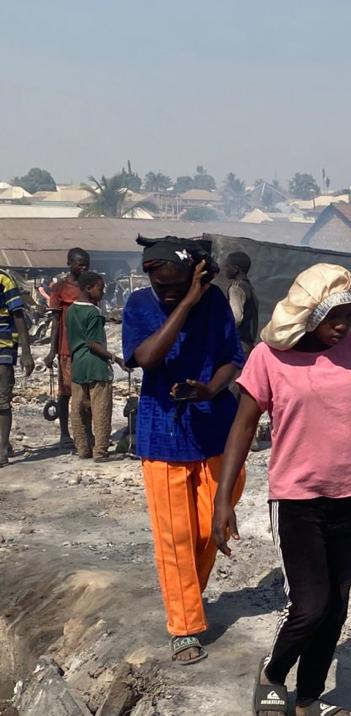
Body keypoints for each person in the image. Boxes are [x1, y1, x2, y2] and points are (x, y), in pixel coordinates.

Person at [210, 264, 351, 716]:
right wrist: (223, 498)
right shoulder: (269, 357)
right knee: (310, 603)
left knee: (338, 604)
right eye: (334, 318)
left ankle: (307, 698)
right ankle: (272, 674)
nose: (343, 327)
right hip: (297, 500)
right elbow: (243, 426)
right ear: (309, 314)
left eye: (349, 316)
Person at [122, 237, 246, 665]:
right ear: (149, 279)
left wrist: (209, 388)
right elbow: (148, 357)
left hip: (215, 430)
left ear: (196, 272)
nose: (167, 291)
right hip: (163, 434)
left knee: (210, 528)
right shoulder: (139, 306)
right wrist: (186, 304)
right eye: (162, 286)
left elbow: (233, 357)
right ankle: (186, 626)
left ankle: (187, 596)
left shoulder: (216, 304)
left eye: (178, 285)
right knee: (174, 536)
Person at [67, 271, 125, 461]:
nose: (102, 292)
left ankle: (83, 448)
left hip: (78, 365)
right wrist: (116, 359)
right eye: (100, 289)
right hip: (96, 365)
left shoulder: (71, 310)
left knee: (79, 409)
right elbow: (93, 343)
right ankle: (100, 451)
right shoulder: (94, 313)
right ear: (89, 288)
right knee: (101, 408)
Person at [44, 247, 89, 448]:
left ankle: (86, 432)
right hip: (66, 347)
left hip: (87, 347)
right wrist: (51, 351)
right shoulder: (60, 288)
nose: (84, 267)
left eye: (86, 264)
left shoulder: (90, 285)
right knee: (65, 392)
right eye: (80, 263)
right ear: (69, 263)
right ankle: (64, 433)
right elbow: (55, 320)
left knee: (87, 393)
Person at [0, 268, 35, 466]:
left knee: (2, 401)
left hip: (3, 347)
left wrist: (26, 352)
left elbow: (18, 314)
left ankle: (2, 451)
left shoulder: (4, 279)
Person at [223, 252, 259, 356]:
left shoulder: (236, 288)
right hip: (248, 344)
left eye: (227, 266)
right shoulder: (249, 288)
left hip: (238, 344)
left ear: (235, 269)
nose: (225, 269)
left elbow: (236, 317)